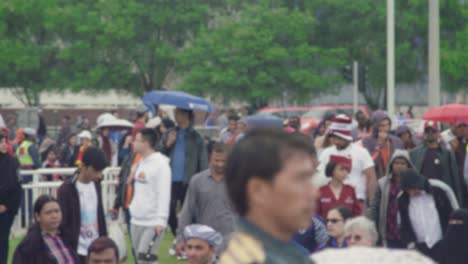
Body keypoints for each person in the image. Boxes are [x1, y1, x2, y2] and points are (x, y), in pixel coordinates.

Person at [219, 129, 318, 264]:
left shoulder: (285, 252)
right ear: (258, 190)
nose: (314, 193)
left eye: (310, 179)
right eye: (300, 179)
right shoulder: (250, 259)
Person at [175, 143, 236, 256]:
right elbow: (187, 211)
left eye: (224, 161)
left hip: (232, 241)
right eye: (216, 160)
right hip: (204, 240)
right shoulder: (197, 181)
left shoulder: (238, 181)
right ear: (210, 158)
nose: (220, 164)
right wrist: (180, 237)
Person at [158, 108, 208, 239]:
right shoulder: (169, 133)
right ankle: (179, 237)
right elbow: (158, 154)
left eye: (178, 113)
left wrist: (204, 180)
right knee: (169, 212)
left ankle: (189, 239)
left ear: (187, 115)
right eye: (174, 113)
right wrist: (168, 144)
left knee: (190, 214)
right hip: (170, 180)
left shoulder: (196, 137)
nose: (175, 115)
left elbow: (203, 161)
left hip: (189, 181)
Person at [57, 147, 108, 262]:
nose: (99, 175)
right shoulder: (66, 189)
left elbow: (99, 216)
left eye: (101, 171)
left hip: (96, 249)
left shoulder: (97, 185)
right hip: (76, 250)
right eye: (96, 171)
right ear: (84, 167)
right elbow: (63, 223)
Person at [398, 168, 459, 262]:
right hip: (420, 247)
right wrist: (410, 244)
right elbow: (403, 224)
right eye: (408, 190)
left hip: (442, 242)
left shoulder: (439, 189)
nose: (411, 193)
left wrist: (452, 238)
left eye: (413, 189)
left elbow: (455, 213)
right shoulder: (402, 199)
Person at [130, 128, 171, 264]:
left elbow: (164, 194)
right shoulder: (140, 162)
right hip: (136, 220)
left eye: (137, 140)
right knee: (138, 259)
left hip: (152, 223)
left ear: (146, 143)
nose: (133, 142)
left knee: (146, 260)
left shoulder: (161, 165)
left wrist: (161, 221)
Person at [318, 114, 377, 205]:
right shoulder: (326, 153)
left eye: (340, 138)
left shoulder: (361, 152)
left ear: (347, 137)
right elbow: (320, 177)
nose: (336, 141)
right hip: (331, 200)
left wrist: (372, 203)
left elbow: (371, 177)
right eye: (334, 137)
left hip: (357, 199)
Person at [13, 195, 78, 264]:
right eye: (48, 212)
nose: (54, 216)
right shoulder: (30, 245)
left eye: (57, 211)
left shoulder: (66, 236)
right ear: (38, 216)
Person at [409, 120, 463, 204]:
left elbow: (454, 178)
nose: (430, 133)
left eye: (433, 131)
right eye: (427, 131)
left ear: (438, 133)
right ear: (424, 133)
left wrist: (457, 200)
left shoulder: (447, 154)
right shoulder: (415, 153)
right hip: (423, 195)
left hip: (442, 196)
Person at [370, 149, 413, 248]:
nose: (399, 166)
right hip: (389, 229)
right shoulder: (383, 183)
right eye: (396, 163)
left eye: (403, 163)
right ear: (391, 164)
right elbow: (375, 206)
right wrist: (373, 226)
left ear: (408, 165)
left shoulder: (413, 183)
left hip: (408, 229)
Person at [0, 133, 22, 264]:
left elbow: (17, 187)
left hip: (6, 211)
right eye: (0, 142)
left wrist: (6, 206)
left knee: (2, 241)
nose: (3, 144)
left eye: (5, 141)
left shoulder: (13, 162)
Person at [362, 110, 404, 179]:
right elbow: (371, 164)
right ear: (375, 126)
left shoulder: (397, 141)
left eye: (388, 125)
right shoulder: (367, 141)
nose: (385, 128)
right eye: (382, 125)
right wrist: (380, 143)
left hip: (393, 181)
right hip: (377, 180)